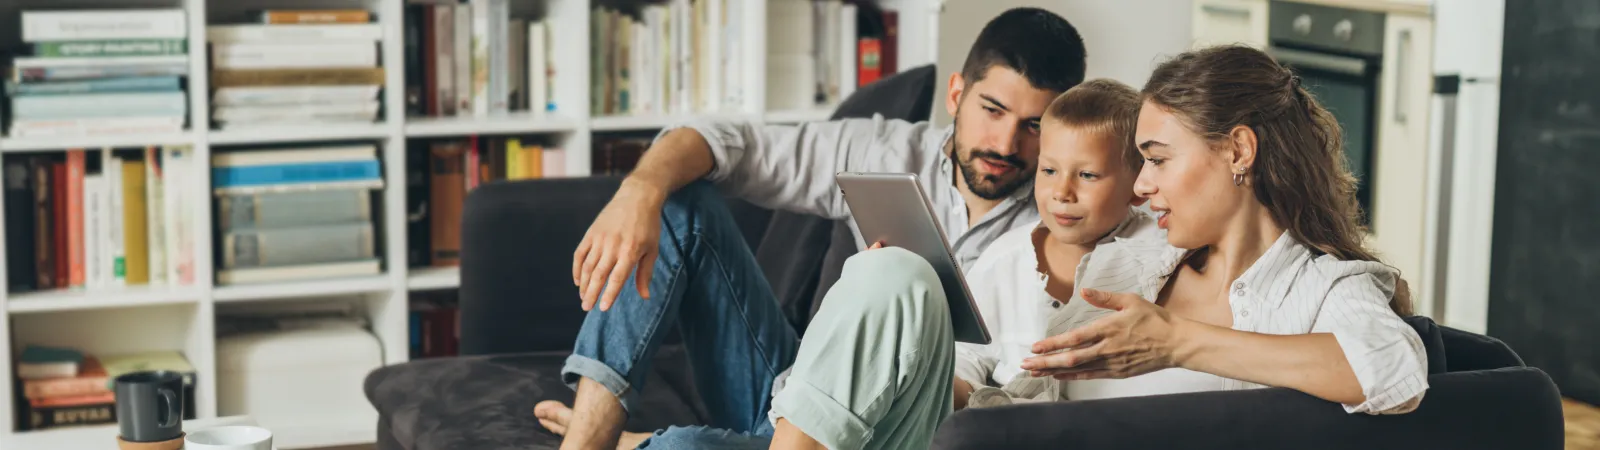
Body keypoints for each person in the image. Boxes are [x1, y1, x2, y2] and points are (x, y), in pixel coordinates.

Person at [537, 8, 1089, 450]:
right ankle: (592, 437)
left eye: (1034, 127)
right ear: (956, 95)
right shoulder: (885, 150)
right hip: (791, 392)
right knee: (678, 201)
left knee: (681, 446)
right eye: (992, 110)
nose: (1005, 144)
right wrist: (638, 192)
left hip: (897, 427)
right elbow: (733, 144)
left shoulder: (1063, 218)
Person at [1019, 44, 1429, 415]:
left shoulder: (1322, 287)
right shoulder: (1121, 262)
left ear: (1238, 151)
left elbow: (1395, 371)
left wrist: (1177, 343)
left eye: (1158, 160)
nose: (1141, 185)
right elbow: (1036, 397)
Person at [947, 78, 1165, 408]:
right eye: (1049, 170)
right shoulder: (1005, 257)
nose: (1062, 192)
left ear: (1138, 186)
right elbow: (967, 355)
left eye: (1087, 175)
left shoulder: (1161, 255)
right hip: (1011, 425)